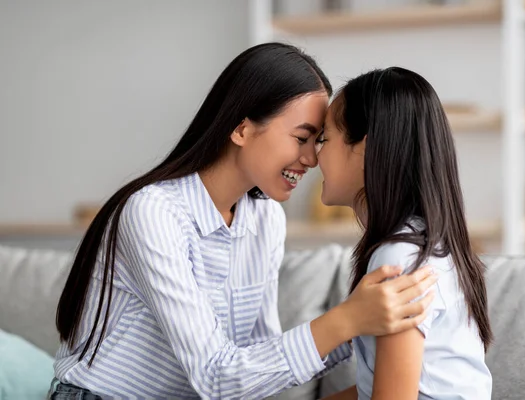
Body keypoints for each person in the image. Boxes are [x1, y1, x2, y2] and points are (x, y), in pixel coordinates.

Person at [49, 43, 438, 399]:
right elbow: (215, 377)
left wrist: (362, 323)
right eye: (302, 138)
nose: (313, 159)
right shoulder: (153, 213)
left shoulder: (266, 218)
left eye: (319, 140)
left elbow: (255, 366)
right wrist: (349, 321)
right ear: (242, 128)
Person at [317, 67, 493, 400]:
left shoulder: (400, 257)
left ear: (366, 149)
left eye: (324, 139)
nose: (315, 157)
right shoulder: (423, 244)